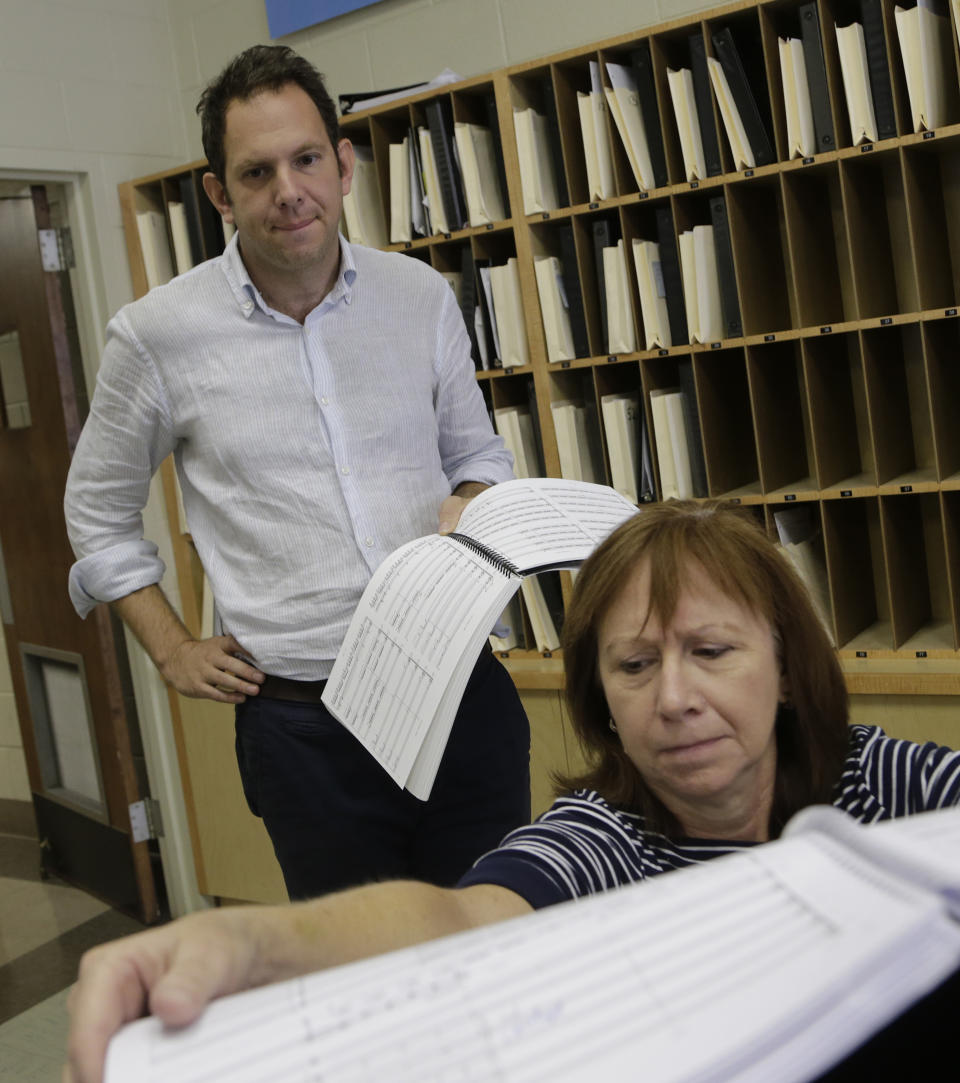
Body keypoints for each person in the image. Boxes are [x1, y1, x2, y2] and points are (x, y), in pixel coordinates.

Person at [64, 499, 960, 1083]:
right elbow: (459, 919)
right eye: (636, 665)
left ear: (788, 670)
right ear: (603, 703)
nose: (676, 698)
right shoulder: (604, 835)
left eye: (713, 652)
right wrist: (253, 943)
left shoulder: (880, 779)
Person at [62, 44, 530, 901]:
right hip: (304, 730)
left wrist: (471, 501)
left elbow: (478, 455)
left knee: (499, 940)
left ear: (345, 164)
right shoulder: (156, 336)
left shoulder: (418, 297)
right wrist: (170, 649)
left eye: (307, 158)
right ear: (219, 193)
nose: (289, 190)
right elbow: (96, 513)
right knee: (360, 978)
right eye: (256, 171)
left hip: (460, 693)